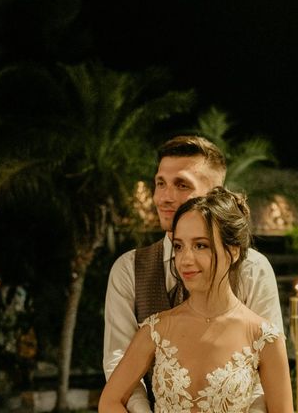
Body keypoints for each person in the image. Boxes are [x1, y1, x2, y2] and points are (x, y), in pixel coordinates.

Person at [103, 136, 284, 412]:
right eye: (160, 183)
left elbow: (263, 378)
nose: (164, 197)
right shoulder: (128, 270)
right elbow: (117, 361)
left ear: (216, 194)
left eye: (182, 185)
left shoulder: (253, 270)